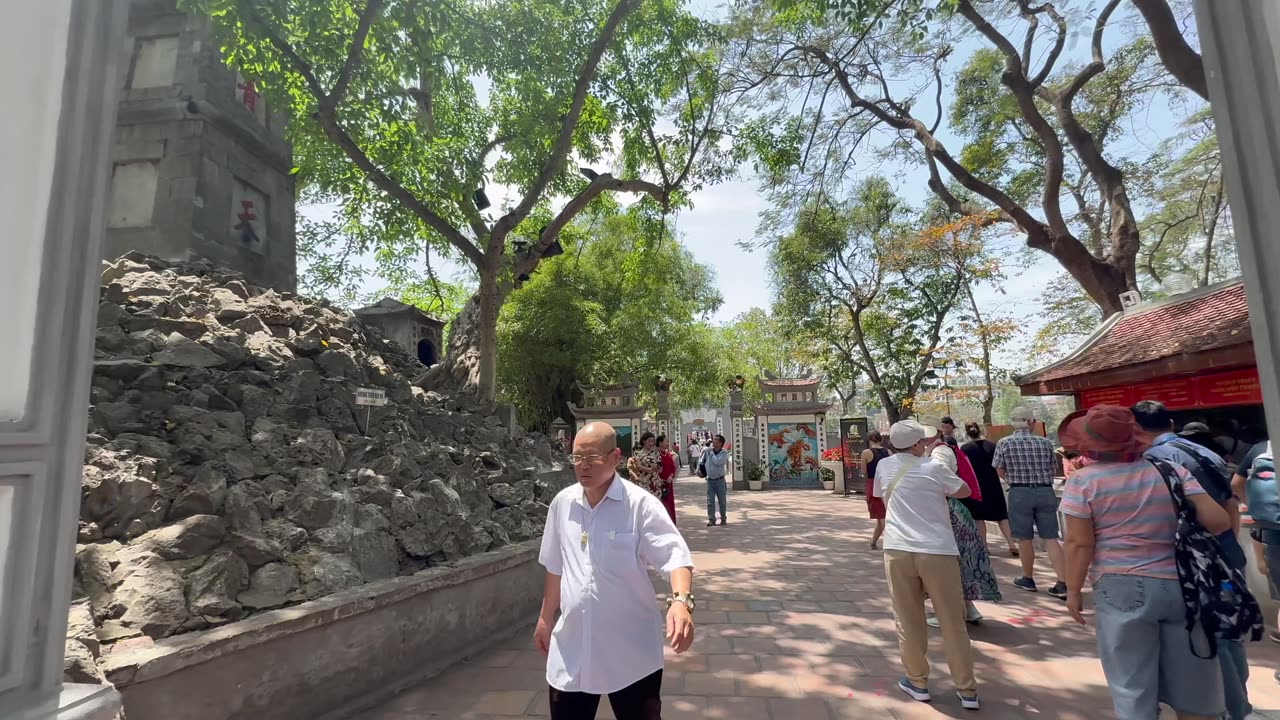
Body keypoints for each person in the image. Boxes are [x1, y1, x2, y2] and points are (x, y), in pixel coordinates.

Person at [1060, 406, 1231, 720]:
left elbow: (1079, 544)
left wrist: (1073, 591)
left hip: (1120, 587)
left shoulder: (1083, 482)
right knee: (1194, 690)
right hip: (1183, 584)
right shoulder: (1171, 471)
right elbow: (1219, 521)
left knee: (1132, 686)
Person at [535, 422, 695, 720]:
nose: (583, 465)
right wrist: (545, 619)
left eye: (591, 457)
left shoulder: (640, 505)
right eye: (577, 457)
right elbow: (556, 567)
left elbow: (676, 558)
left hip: (631, 651)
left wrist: (681, 602)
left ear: (615, 457)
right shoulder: (562, 504)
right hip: (573, 648)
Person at [1131, 400, 1251, 720]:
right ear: (1171, 424)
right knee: (1229, 631)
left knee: (1208, 634)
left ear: (1135, 428)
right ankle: (1239, 705)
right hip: (1226, 554)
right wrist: (1229, 547)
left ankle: (1226, 707)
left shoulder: (1153, 461)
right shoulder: (1206, 452)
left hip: (1194, 560)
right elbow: (1230, 503)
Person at [873, 419, 980, 710]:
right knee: (952, 621)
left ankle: (917, 681)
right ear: (918, 444)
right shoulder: (934, 467)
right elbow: (963, 491)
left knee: (907, 619)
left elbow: (880, 494)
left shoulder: (885, 466)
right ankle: (966, 689)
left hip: (898, 549)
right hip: (938, 551)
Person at [993, 406, 1068, 599]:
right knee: (1051, 537)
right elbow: (1053, 467)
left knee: (1024, 538)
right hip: (1045, 490)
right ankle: (1062, 582)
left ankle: (1028, 578)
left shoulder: (1004, 443)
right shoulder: (1045, 443)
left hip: (1019, 492)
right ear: (1031, 422)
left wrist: (1011, 480)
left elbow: (999, 469)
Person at [929, 429, 1001, 626]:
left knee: (947, 561)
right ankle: (967, 606)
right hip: (952, 509)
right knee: (958, 559)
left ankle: (951, 611)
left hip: (946, 510)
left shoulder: (938, 453)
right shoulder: (944, 450)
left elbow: (941, 479)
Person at [960, 422, 1017, 556]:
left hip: (976, 487)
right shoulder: (992, 445)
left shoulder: (965, 448)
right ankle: (1011, 544)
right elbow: (999, 465)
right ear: (980, 431)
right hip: (993, 485)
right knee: (1001, 516)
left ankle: (984, 546)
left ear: (967, 433)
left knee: (979, 518)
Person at [861, 430, 891, 549]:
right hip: (886, 483)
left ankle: (891, 543)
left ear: (869, 440)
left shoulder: (866, 453)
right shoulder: (888, 452)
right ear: (880, 439)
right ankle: (873, 542)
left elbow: (864, 471)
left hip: (873, 484)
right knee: (881, 515)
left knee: (881, 516)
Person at [699, 435, 730, 527]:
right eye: (714, 439)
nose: (713, 441)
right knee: (710, 501)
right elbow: (701, 461)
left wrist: (712, 454)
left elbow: (718, 462)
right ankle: (711, 519)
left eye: (716, 440)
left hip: (720, 480)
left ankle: (723, 519)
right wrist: (698, 471)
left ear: (720, 443)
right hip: (710, 480)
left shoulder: (723, 453)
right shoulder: (708, 451)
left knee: (722, 501)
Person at [626, 432, 663, 498]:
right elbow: (639, 467)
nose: (651, 443)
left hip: (655, 483)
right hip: (643, 482)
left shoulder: (656, 453)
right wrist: (651, 469)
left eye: (653, 441)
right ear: (644, 441)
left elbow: (660, 466)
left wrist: (659, 469)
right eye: (649, 441)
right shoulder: (638, 454)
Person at [657, 434, 678, 525]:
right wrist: (659, 479)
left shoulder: (668, 454)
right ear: (660, 443)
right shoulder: (656, 455)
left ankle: (670, 523)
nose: (667, 443)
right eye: (666, 441)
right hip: (659, 484)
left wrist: (671, 475)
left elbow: (673, 467)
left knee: (669, 504)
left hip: (668, 484)